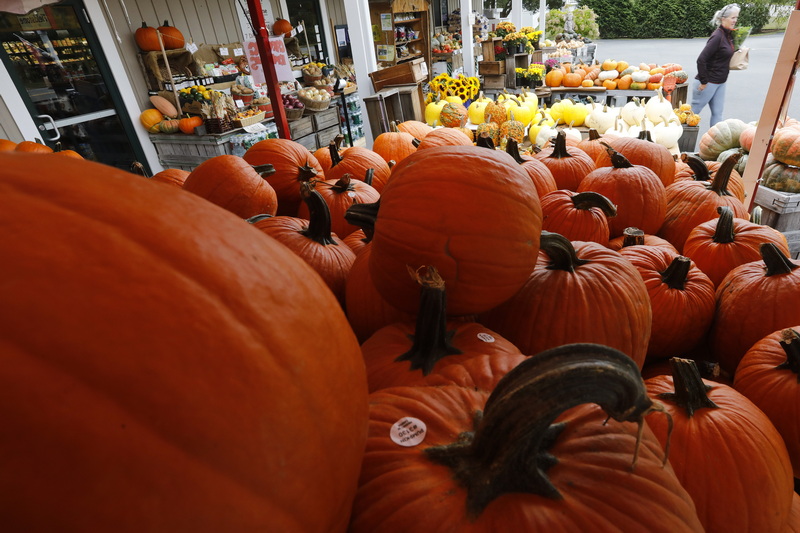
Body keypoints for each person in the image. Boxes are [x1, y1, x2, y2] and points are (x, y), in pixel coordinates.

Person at [692, 3, 740, 126]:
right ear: (723, 19)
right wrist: (703, 82)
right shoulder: (717, 36)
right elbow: (701, 59)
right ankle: (677, 141)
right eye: (733, 17)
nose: (735, 20)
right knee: (692, 114)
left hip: (720, 82)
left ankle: (714, 144)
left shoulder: (728, 35)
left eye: (736, 17)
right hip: (707, 83)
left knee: (718, 114)